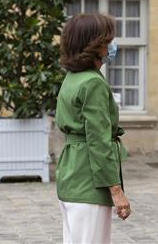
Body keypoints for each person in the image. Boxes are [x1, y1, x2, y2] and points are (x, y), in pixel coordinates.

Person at [55, 13, 131, 244]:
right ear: (94, 45)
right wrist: (117, 191)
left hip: (71, 175)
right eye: (107, 42)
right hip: (89, 180)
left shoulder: (73, 77)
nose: (110, 46)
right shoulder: (92, 82)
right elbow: (99, 140)